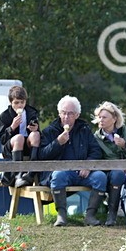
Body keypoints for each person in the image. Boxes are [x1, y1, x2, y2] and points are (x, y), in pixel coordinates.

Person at [39, 95, 107, 227]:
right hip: (62, 173)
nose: (66, 117)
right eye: (63, 113)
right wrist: (57, 143)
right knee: (58, 175)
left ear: (77, 115)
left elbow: (95, 151)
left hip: (83, 172)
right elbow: (42, 155)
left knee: (100, 176)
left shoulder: (84, 130)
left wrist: (88, 166)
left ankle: (90, 216)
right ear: (59, 113)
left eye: (70, 114)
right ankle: (61, 216)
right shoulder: (49, 131)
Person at [92, 101, 126, 227]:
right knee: (117, 175)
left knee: (124, 174)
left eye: (104, 117)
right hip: (109, 172)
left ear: (114, 119)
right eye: (99, 117)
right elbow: (96, 157)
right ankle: (112, 214)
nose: (101, 120)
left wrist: (125, 145)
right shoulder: (96, 137)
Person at [0, 85, 42, 188]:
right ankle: (17, 174)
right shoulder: (5, 116)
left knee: (36, 135)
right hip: (12, 146)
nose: (20, 106)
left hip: (28, 145)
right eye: (16, 103)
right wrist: (12, 127)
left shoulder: (31, 113)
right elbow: (2, 139)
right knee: (19, 137)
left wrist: (35, 129)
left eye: (22, 102)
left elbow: (39, 135)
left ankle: (31, 172)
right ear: (11, 102)